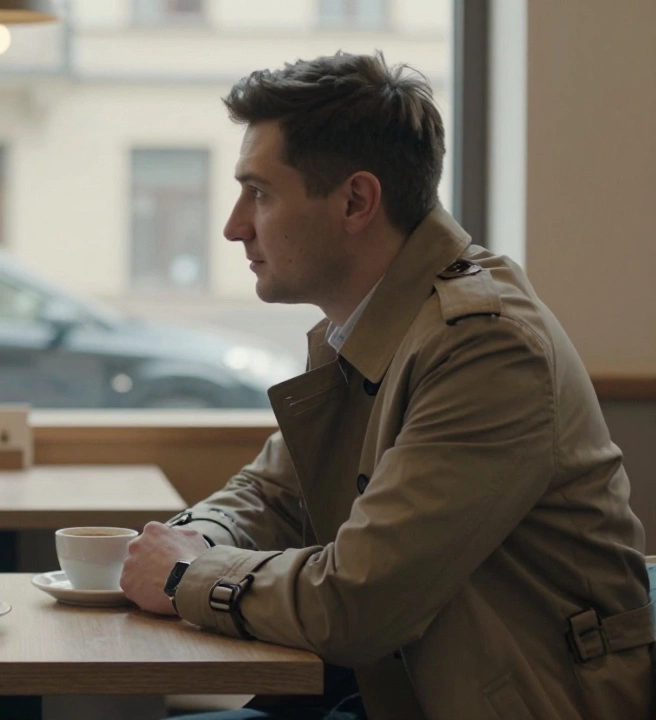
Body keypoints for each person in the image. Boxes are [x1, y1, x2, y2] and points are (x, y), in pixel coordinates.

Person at [120, 52, 654, 720]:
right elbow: (272, 493)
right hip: (383, 692)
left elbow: (357, 605)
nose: (234, 225)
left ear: (355, 201)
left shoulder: (487, 348)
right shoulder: (372, 319)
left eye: (259, 192)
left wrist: (180, 575)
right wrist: (192, 537)